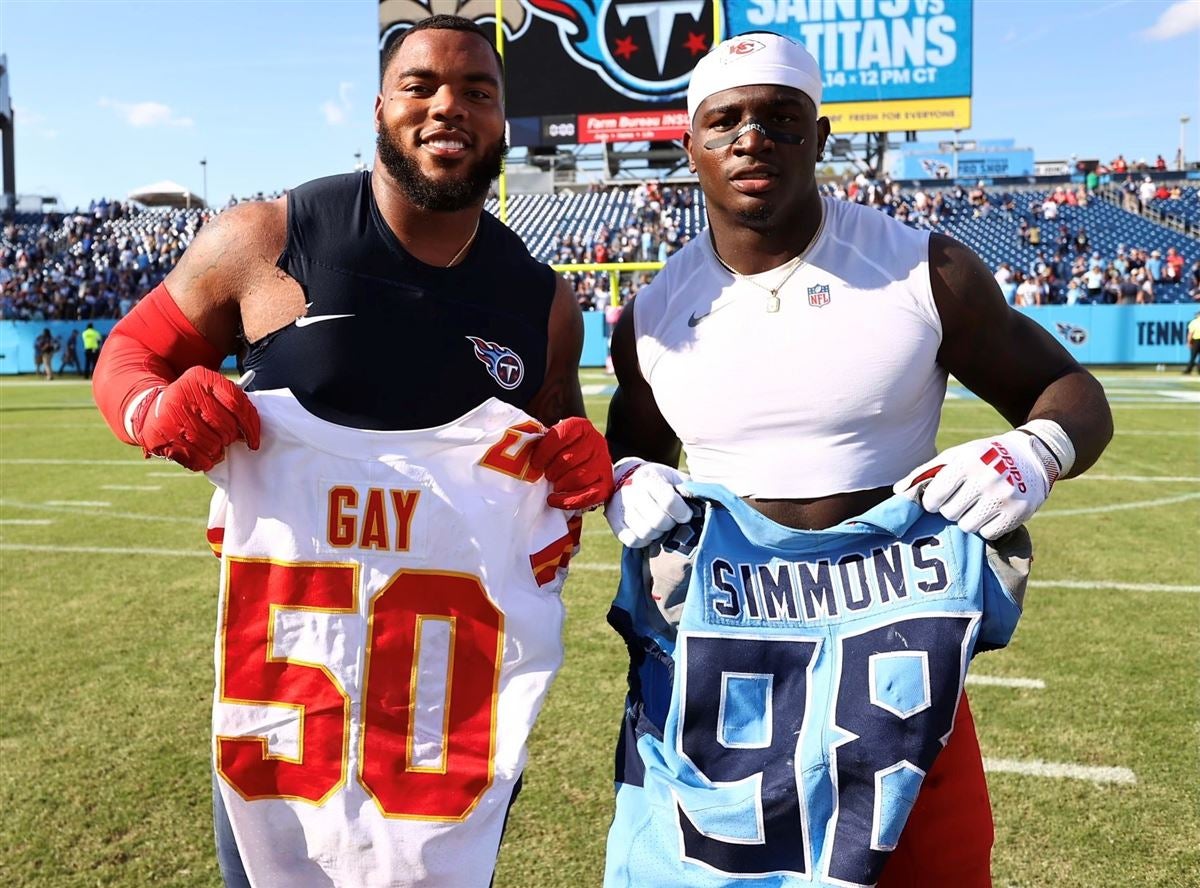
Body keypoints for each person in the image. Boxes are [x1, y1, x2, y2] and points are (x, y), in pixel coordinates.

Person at [92, 15, 613, 888]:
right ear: (379, 107)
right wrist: (154, 408)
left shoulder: (543, 302)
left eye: (477, 92)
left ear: (503, 122)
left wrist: (576, 474)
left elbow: (557, 451)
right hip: (288, 705)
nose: (450, 106)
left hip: (451, 722)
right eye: (422, 86)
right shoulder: (265, 239)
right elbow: (129, 355)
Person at [600, 32, 1112, 887]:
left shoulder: (923, 269)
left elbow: (1065, 386)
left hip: (898, 664)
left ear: (822, 134)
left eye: (781, 118)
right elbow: (632, 448)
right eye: (725, 121)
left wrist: (1037, 449)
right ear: (689, 144)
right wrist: (626, 479)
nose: (752, 138)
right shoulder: (653, 315)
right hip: (731, 666)